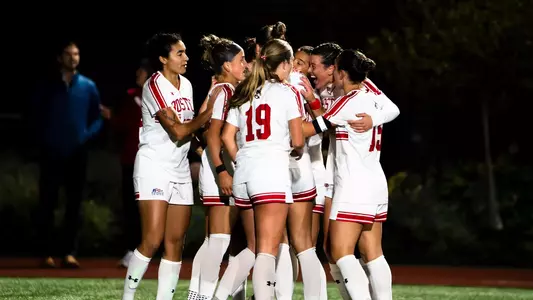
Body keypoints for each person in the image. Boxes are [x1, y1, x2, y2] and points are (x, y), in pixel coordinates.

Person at [221, 38, 325, 300]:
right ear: (287, 63)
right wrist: (297, 149)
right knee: (274, 250)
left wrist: (242, 158)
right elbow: (299, 140)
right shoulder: (288, 91)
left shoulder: (244, 89)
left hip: (244, 173)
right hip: (276, 173)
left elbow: (225, 137)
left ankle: (219, 295)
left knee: (255, 247)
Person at [122, 32, 215, 300]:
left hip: (180, 168)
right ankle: (127, 297)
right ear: (163, 58)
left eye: (185, 52)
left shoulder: (185, 85)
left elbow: (189, 128)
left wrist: (203, 145)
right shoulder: (153, 85)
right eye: (179, 53)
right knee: (152, 240)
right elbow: (177, 130)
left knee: (175, 243)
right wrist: (209, 113)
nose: (186, 58)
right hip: (154, 165)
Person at [304, 49, 396, 300]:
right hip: (375, 181)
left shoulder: (346, 101)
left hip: (354, 185)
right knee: (373, 253)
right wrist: (375, 119)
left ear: (342, 73)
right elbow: (393, 109)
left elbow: (311, 128)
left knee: (341, 252)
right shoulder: (371, 95)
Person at [189, 34, 254, 300]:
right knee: (218, 240)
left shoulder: (224, 90)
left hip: (220, 168)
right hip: (220, 172)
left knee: (216, 240)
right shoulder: (224, 91)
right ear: (227, 66)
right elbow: (213, 135)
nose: (245, 65)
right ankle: (203, 296)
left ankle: (198, 294)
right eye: (240, 61)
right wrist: (221, 171)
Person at [33, 40, 103, 268]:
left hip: (77, 154)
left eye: (76, 54)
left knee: (74, 205)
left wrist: (86, 135)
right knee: (48, 203)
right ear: (59, 57)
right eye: (68, 54)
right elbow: (35, 115)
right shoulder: (47, 85)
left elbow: (97, 117)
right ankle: (46, 252)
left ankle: (69, 252)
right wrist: (44, 139)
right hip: (51, 153)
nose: (73, 57)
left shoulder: (88, 86)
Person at [100, 59, 153, 268]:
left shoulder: (160, 96)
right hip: (131, 160)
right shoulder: (130, 96)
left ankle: (147, 249)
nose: (138, 73)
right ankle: (133, 249)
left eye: (142, 71)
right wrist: (112, 117)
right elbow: (122, 124)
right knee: (131, 206)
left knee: (150, 208)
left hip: (153, 161)